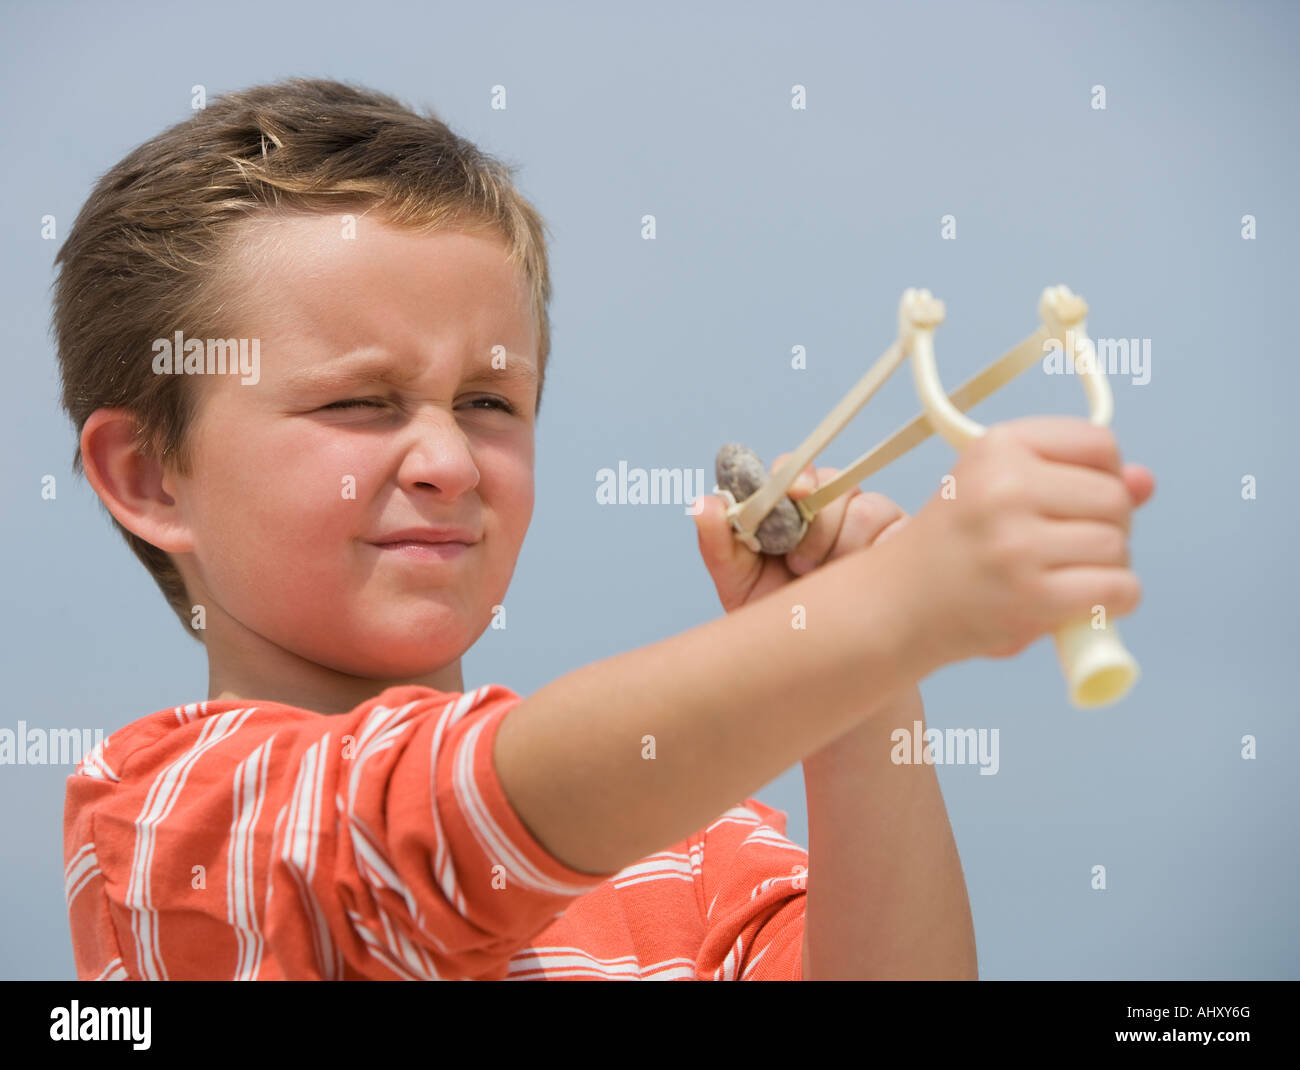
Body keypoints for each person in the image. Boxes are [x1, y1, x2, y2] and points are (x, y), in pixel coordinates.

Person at [56, 77, 1153, 981]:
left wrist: (865, 703)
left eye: (489, 403)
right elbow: (443, 822)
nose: (445, 461)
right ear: (149, 476)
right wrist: (879, 614)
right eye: (358, 403)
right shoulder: (160, 825)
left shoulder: (697, 857)